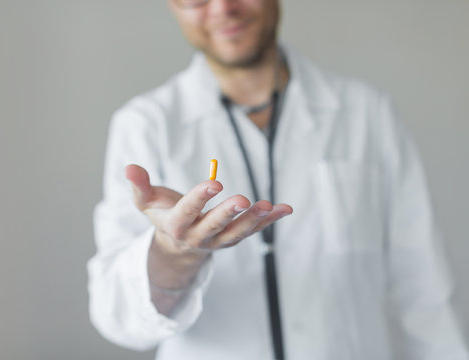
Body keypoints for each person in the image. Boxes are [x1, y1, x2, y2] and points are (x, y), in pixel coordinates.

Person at [87, 0, 468, 359]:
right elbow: (117, 317)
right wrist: (173, 253)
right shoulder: (144, 125)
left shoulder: (368, 114)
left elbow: (425, 290)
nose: (223, 9)